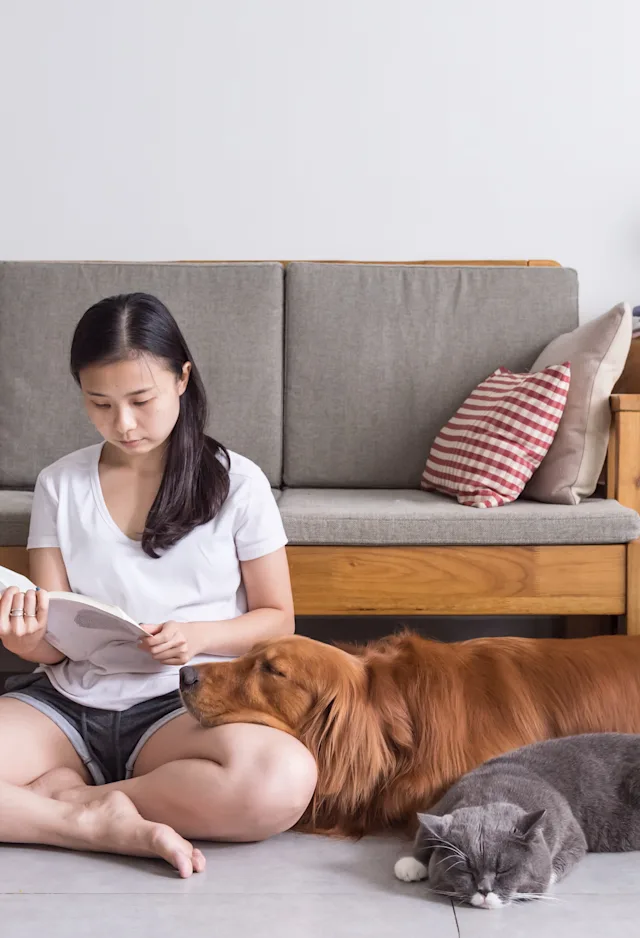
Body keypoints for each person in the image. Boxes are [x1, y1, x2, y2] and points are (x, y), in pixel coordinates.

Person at [0, 292, 317, 876]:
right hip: (68, 704)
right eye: (100, 403)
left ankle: (70, 798)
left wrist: (196, 636)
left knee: (282, 780)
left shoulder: (238, 483)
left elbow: (278, 618)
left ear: (182, 379)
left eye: (140, 400)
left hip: (180, 704)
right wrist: (25, 643)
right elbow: (54, 635)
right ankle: (88, 824)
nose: (123, 424)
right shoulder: (59, 484)